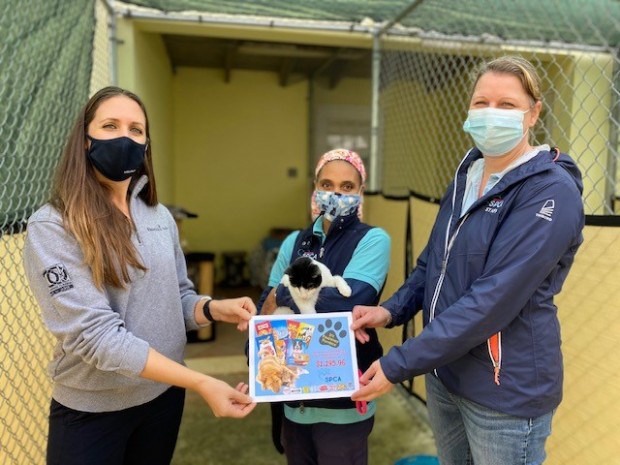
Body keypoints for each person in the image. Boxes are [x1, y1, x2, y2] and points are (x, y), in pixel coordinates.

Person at [350, 56, 585, 465]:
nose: (491, 113)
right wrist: (390, 311)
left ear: (533, 114)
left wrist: (399, 363)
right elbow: (433, 263)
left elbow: (492, 300)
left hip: (502, 391)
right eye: (481, 102)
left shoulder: (550, 192)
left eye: (507, 105)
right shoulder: (467, 175)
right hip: (445, 373)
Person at [22, 86, 257, 465]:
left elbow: (177, 298)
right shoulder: (54, 225)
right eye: (110, 126)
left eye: (136, 130)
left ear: (146, 145)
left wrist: (214, 309)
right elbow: (95, 337)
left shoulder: (159, 216)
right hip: (93, 410)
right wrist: (200, 381)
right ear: (85, 140)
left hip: (163, 398)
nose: (124, 138)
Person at [259, 149, 391, 465]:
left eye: (347, 187)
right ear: (315, 188)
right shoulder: (294, 241)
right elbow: (263, 312)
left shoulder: (373, 240)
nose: (336, 194)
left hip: (344, 400)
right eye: (327, 184)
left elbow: (349, 303)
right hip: (293, 397)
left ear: (361, 191)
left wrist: (284, 291)